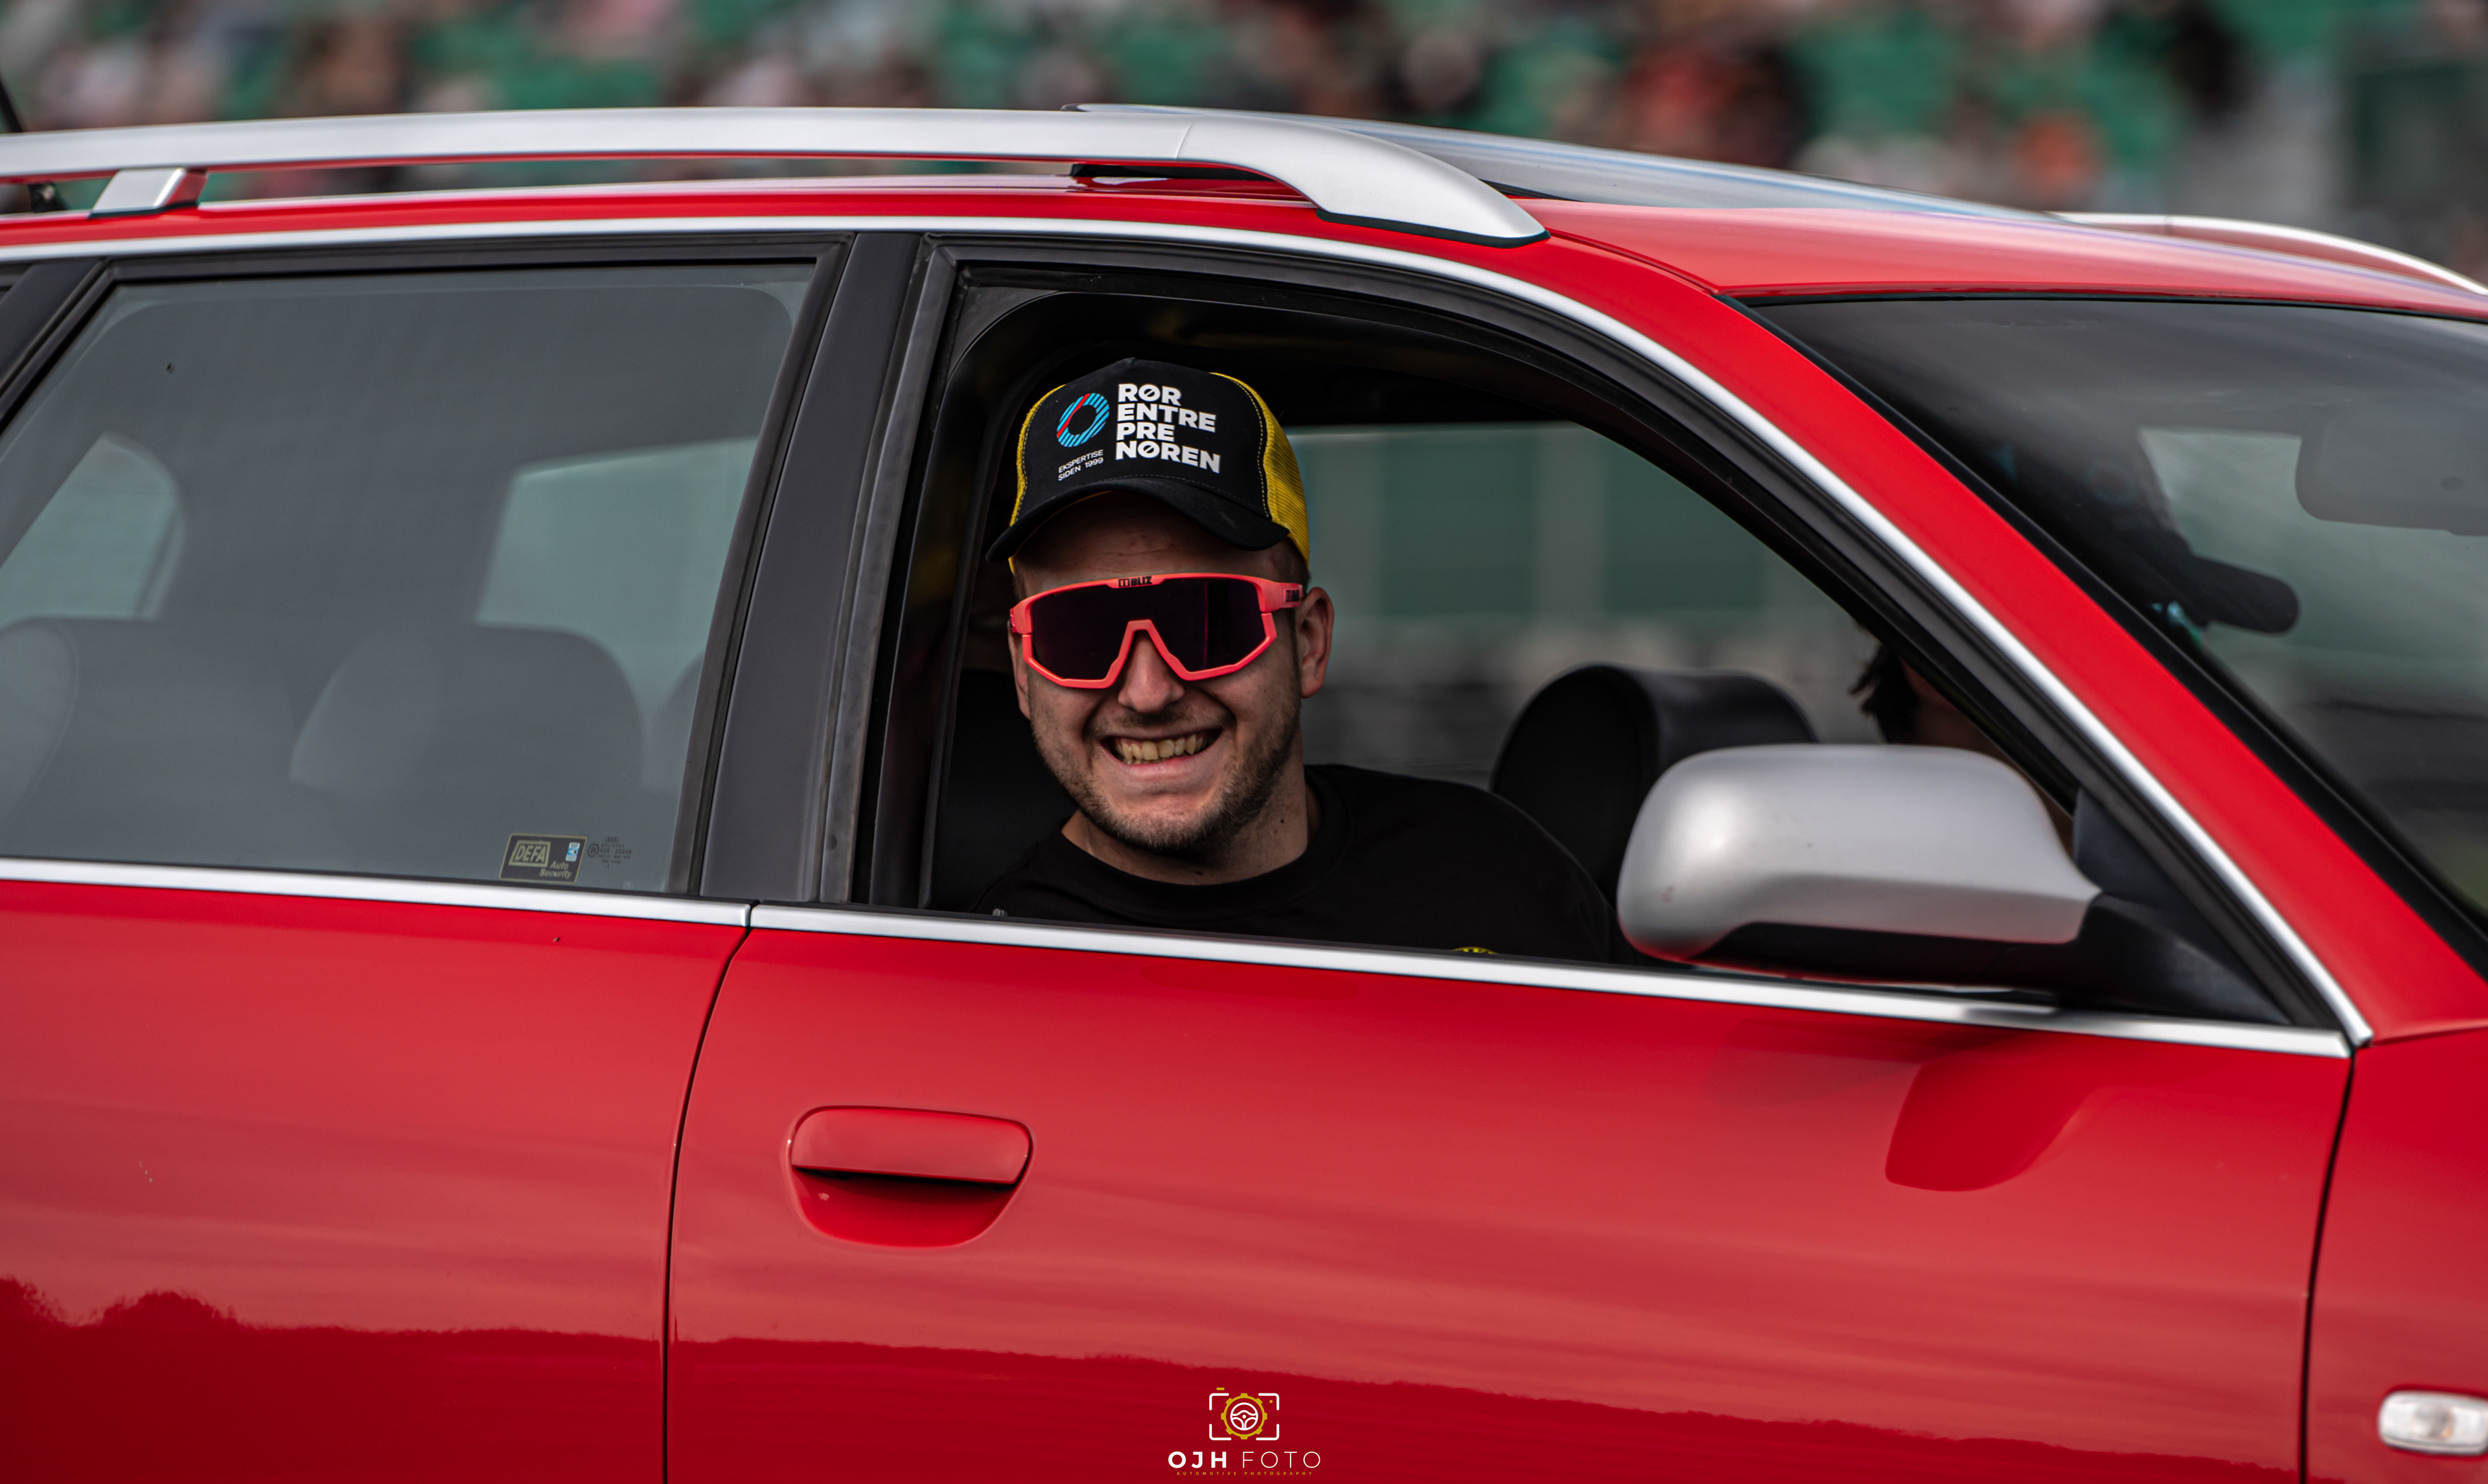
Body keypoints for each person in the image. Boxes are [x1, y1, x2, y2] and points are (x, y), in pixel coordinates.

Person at [973, 356, 1625, 963]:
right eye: (1080, 631)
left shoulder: (1497, 875)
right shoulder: (990, 981)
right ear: (1024, 671)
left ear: (1308, 641)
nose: (1147, 691)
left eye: (1207, 620)